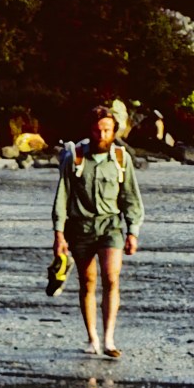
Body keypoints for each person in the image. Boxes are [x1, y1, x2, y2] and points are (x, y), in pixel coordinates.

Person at [51, 105, 144, 358]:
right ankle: (92, 339)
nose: (102, 135)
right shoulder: (75, 158)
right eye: (97, 130)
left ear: (114, 130)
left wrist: (132, 231)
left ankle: (109, 340)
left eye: (107, 130)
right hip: (80, 227)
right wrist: (58, 234)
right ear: (90, 130)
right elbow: (62, 197)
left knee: (112, 278)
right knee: (88, 282)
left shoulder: (122, 159)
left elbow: (131, 198)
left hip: (111, 226)